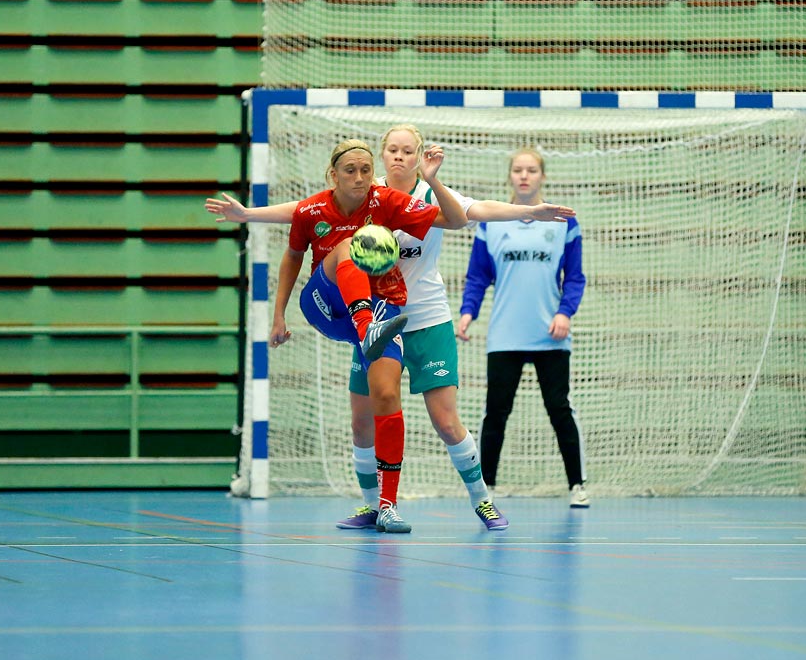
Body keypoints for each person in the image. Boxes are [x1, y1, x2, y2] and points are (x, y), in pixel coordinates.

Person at [209, 125, 576, 533]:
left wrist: (528, 210)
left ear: (420, 155)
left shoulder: (423, 196)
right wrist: (249, 215)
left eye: (408, 150)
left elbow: (476, 211)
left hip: (427, 318)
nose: (399, 156)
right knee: (362, 419)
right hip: (378, 316)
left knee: (446, 421)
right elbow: (305, 208)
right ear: (382, 154)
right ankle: (374, 505)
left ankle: (483, 501)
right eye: (393, 149)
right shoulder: (363, 186)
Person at [245, 137, 467, 533]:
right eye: (351, 170)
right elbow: (293, 256)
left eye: (366, 170)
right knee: (351, 243)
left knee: (384, 397)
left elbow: (454, 221)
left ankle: (385, 506)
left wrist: (434, 183)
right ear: (333, 175)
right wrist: (277, 315)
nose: (361, 177)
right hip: (325, 304)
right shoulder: (312, 209)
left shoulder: (386, 200)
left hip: (381, 308)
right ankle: (367, 330)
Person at [456, 146, 588, 508]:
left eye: (531, 170)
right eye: (518, 170)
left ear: (542, 176)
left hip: (551, 336)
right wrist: (468, 312)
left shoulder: (564, 223)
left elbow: (575, 278)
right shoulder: (491, 222)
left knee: (560, 410)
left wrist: (565, 313)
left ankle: (577, 485)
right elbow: (478, 276)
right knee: (496, 412)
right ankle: (488, 489)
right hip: (505, 337)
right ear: (510, 176)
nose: (524, 176)